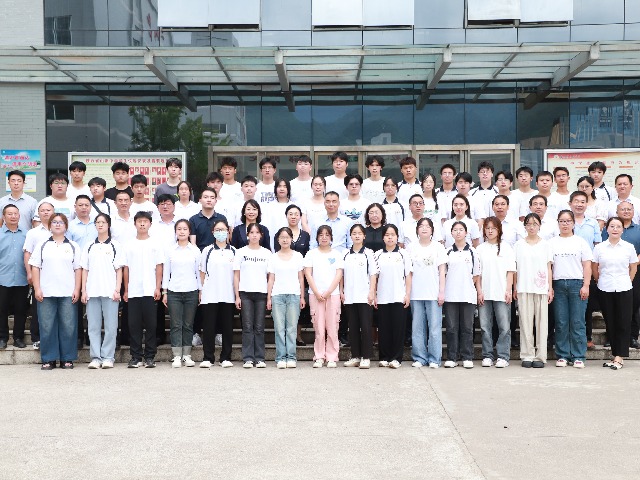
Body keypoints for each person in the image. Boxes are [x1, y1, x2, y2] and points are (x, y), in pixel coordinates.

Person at [29, 213, 81, 370]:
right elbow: (35, 267)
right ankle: (49, 359)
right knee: (47, 326)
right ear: (50, 225)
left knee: (69, 326)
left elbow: (78, 269)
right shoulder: (42, 245)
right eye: (54, 222)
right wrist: (37, 288)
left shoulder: (73, 245)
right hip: (46, 292)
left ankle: (67, 358)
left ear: (66, 226)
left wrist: (77, 289)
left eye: (61, 222)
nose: (58, 224)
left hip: (67, 292)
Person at [549, 210, 593, 369]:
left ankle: (578, 356)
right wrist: (550, 287)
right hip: (558, 284)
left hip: (577, 284)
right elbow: (549, 267)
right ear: (558, 223)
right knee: (561, 322)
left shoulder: (580, 242)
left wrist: (586, 285)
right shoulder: (551, 243)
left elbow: (587, 265)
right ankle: (562, 355)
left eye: (568, 221)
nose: (565, 224)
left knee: (578, 321)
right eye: (562, 221)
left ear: (573, 223)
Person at [593, 217, 638, 370]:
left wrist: (628, 281)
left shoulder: (628, 247)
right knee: (610, 322)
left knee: (623, 322)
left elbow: (633, 267)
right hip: (605, 287)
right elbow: (595, 267)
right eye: (612, 226)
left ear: (622, 230)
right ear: (607, 229)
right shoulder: (600, 248)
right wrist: (599, 280)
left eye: (618, 226)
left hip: (624, 288)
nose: (615, 229)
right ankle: (614, 354)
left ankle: (620, 357)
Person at [80, 213, 124, 369]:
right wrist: (83, 290)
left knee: (111, 327)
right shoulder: (89, 245)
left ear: (108, 225)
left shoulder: (115, 245)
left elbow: (119, 269)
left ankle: (108, 357)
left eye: (103, 222)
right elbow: (85, 269)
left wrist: (117, 289)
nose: (100, 225)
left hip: (110, 291)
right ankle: (95, 357)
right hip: (92, 291)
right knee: (93, 327)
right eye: (97, 222)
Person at [123, 211, 164, 369]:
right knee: (134, 325)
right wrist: (126, 289)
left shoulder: (156, 244)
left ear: (150, 224)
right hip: (134, 291)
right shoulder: (128, 244)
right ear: (134, 224)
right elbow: (126, 268)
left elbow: (159, 267)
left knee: (151, 325)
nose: (142, 224)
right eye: (139, 221)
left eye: (145, 221)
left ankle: (150, 356)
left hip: (150, 290)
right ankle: (135, 356)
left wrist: (158, 287)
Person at [514, 213, 553, 368]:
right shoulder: (518, 245)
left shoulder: (546, 245)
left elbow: (549, 268)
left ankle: (540, 356)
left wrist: (550, 288)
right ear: (524, 226)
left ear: (539, 226)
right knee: (525, 322)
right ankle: (527, 354)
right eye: (528, 224)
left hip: (541, 288)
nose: (531, 227)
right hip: (523, 287)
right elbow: (515, 268)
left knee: (542, 323)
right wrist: (515, 287)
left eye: (535, 224)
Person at [476, 217, 516, 368]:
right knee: (485, 326)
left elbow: (510, 271)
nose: (490, 231)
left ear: (499, 230)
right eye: (487, 228)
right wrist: (479, 291)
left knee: (504, 326)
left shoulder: (506, 248)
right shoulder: (480, 249)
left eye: (493, 228)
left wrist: (508, 290)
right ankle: (487, 355)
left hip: (501, 292)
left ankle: (503, 356)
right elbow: (477, 274)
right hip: (485, 292)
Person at [162, 219, 201, 368]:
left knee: (188, 324)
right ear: (175, 232)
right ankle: (177, 355)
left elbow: (199, 273)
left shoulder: (195, 250)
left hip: (191, 291)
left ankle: (187, 355)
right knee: (176, 324)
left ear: (189, 231)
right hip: (174, 291)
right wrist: (164, 291)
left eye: (185, 229)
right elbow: (166, 272)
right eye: (179, 229)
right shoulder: (170, 250)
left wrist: (200, 291)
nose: (182, 231)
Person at [408, 217, 446, 368]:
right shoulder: (411, 247)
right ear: (417, 230)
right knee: (417, 327)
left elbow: (442, 271)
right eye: (421, 226)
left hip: (433, 293)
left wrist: (441, 292)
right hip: (416, 293)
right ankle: (419, 357)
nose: (424, 228)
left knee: (435, 328)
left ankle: (434, 358)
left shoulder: (438, 247)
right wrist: (408, 292)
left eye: (427, 226)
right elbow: (408, 273)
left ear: (432, 230)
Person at [602, 201, 640, 350]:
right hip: (611, 274)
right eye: (622, 209)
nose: (626, 211)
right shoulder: (609, 229)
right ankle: (612, 337)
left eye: (628, 209)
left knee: (634, 305)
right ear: (617, 212)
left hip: (634, 271)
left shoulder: (638, 229)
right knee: (612, 308)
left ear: (633, 211)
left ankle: (632, 336)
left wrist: (634, 262)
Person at [304, 225, 344, 368]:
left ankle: (332, 356)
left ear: (331, 237)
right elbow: (308, 273)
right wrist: (316, 292)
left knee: (332, 327)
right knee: (319, 328)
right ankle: (319, 356)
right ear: (317, 238)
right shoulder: (311, 254)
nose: (324, 237)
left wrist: (328, 292)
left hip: (332, 295)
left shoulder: (337, 254)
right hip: (315, 295)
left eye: (327, 235)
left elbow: (339, 274)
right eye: (321, 235)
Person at [267, 227, 305, 369]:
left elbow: (301, 278)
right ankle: (281, 358)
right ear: (278, 239)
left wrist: (302, 296)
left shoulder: (298, 256)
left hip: (294, 295)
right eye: (282, 237)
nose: (284, 240)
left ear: (291, 239)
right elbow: (271, 279)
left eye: (287, 237)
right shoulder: (273, 257)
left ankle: (291, 357)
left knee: (291, 328)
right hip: (277, 295)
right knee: (279, 328)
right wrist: (269, 298)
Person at [199, 218, 236, 368]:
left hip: (228, 294)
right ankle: (208, 357)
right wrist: (202, 291)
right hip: (210, 294)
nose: (221, 233)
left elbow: (237, 275)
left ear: (228, 231)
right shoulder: (207, 250)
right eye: (218, 230)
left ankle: (225, 357)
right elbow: (202, 273)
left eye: (223, 230)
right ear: (213, 232)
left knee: (227, 327)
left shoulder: (234, 251)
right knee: (209, 327)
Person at [234, 223, 271, 369]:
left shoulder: (267, 253)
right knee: (248, 326)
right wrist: (237, 296)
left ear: (261, 235)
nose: (254, 235)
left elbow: (270, 277)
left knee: (260, 327)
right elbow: (236, 275)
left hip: (261, 293)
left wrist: (269, 296)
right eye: (252, 232)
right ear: (247, 235)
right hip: (245, 293)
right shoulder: (240, 252)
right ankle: (248, 358)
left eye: (257, 232)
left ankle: (260, 358)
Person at [443, 221, 480, 369]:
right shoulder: (447, 252)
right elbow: (443, 273)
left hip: (467, 294)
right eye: (455, 230)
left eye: (461, 230)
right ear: (451, 233)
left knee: (467, 328)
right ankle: (452, 357)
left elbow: (476, 275)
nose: (458, 232)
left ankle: (467, 356)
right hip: (450, 295)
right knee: (451, 328)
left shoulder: (472, 252)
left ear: (466, 233)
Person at [374, 224, 412, 369]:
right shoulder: (377, 255)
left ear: (397, 237)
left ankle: (396, 358)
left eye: (393, 235)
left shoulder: (403, 254)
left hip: (399, 296)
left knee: (398, 328)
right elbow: (374, 277)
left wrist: (407, 294)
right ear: (383, 237)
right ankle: (384, 357)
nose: (390, 237)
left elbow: (408, 275)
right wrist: (374, 294)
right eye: (387, 235)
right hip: (382, 297)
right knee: (383, 328)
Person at [341, 224, 378, 369]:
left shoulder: (368, 253)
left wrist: (372, 292)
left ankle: (366, 357)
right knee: (353, 327)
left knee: (366, 326)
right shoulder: (345, 253)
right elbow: (341, 274)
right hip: (350, 296)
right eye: (354, 233)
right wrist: (341, 290)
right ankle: (355, 356)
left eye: (359, 233)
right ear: (350, 236)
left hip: (364, 296)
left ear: (364, 236)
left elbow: (373, 274)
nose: (357, 236)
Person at [275, 204, 311, 345]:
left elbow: (308, 255)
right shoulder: (281, 234)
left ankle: (298, 335)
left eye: (296, 214)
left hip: (301, 275)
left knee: (300, 308)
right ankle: (285, 337)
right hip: (283, 276)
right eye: (290, 214)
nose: (293, 216)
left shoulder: (306, 235)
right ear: (286, 216)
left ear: (300, 217)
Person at [22, 202, 55, 350]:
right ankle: (36, 338)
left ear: (53, 212)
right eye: (43, 210)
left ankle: (53, 337)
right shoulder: (33, 232)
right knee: (38, 307)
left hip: (57, 275)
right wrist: (29, 272)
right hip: (38, 275)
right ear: (38, 214)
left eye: (49, 210)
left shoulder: (61, 229)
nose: (46, 212)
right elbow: (27, 253)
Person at [68, 194, 97, 348]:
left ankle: (92, 336)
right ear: (75, 207)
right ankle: (79, 336)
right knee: (77, 304)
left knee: (94, 304)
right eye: (80, 205)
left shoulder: (97, 223)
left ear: (90, 207)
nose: (84, 208)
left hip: (96, 268)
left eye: (86, 205)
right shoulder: (70, 226)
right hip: (77, 269)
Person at [0, 205, 29, 349]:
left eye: (15, 214)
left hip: (22, 278)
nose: (13, 216)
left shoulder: (27, 234)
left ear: (19, 216)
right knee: (1, 310)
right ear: (4, 217)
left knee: (21, 310)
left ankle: (18, 337)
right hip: (2, 278)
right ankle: (2, 338)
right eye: (9, 214)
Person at [263, 178, 292, 250]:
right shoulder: (269, 207)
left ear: (288, 189)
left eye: (284, 186)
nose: (282, 189)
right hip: (272, 240)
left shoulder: (293, 206)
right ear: (275, 189)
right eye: (279, 186)